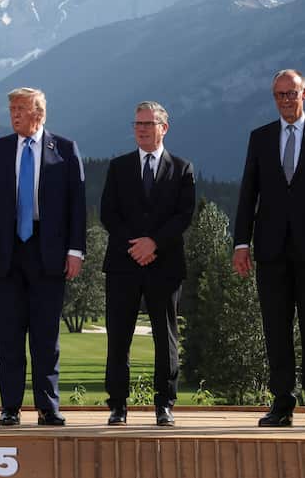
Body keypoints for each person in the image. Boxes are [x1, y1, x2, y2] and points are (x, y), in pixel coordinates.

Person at [232, 69, 305, 429]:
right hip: (270, 250)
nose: (286, 99)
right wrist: (241, 243)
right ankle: (282, 403)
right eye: (279, 94)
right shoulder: (260, 137)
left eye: (291, 93)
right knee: (275, 328)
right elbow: (247, 195)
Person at [0, 87, 85, 427]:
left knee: (45, 336)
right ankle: (10, 407)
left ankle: (48, 407)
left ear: (39, 113)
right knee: (8, 334)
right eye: (11, 109)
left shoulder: (64, 150)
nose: (14, 115)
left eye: (20, 108)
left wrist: (75, 250)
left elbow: (77, 206)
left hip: (48, 252)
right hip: (6, 253)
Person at [99, 101, 195, 427]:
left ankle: (164, 405)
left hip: (164, 265)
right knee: (118, 338)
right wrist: (136, 245)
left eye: (148, 124)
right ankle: (117, 406)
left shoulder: (182, 168)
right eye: (137, 123)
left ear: (163, 128)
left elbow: (184, 215)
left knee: (165, 337)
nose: (141, 129)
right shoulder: (118, 167)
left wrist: (153, 243)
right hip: (123, 265)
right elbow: (108, 214)